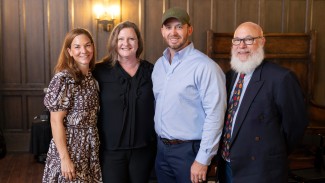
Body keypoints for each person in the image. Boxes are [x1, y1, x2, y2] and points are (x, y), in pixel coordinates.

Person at [216, 22, 308, 183]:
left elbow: (296, 125)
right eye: (237, 40)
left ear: (262, 42)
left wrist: (271, 154)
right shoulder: (229, 76)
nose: (241, 45)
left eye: (249, 39)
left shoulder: (281, 78)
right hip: (228, 166)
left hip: (261, 171)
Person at [152, 7, 227, 183]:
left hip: (190, 153)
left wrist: (202, 159)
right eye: (168, 27)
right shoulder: (158, 66)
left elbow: (215, 115)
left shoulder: (205, 67)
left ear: (189, 29)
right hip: (162, 151)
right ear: (162, 31)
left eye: (179, 26)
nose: (173, 32)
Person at [92, 21, 156, 183]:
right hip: (111, 151)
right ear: (114, 42)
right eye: (121, 39)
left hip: (143, 149)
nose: (125, 43)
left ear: (138, 42)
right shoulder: (99, 71)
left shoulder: (153, 71)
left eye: (131, 39)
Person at [42, 28, 102, 182]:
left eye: (88, 45)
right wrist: (64, 159)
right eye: (77, 47)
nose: (84, 50)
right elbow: (55, 121)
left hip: (90, 147)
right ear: (69, 51)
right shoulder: (63, 79)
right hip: (70, 147)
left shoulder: (90, 77)